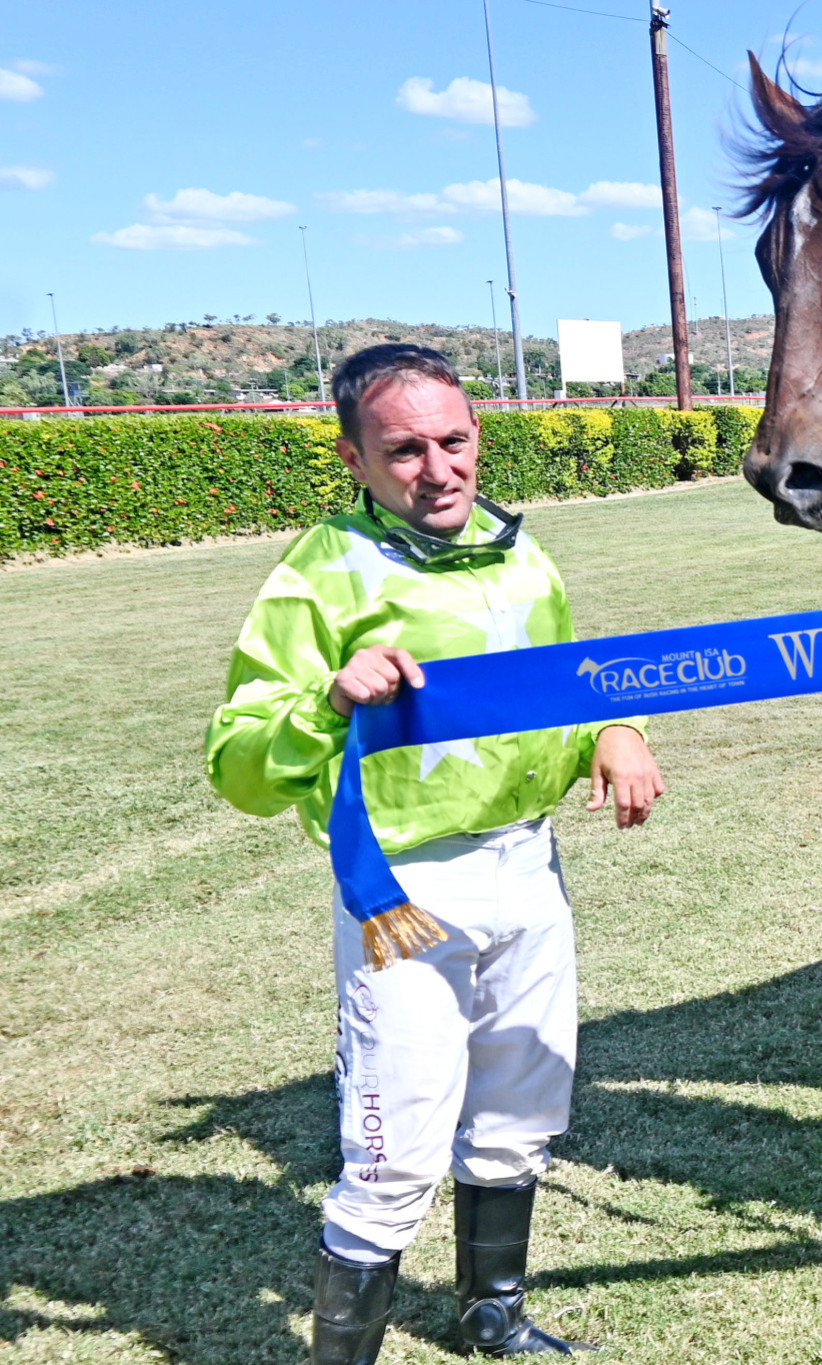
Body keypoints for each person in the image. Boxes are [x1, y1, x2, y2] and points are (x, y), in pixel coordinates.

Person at [206, 345, 665, 1362]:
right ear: (354, 461)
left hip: (526, 870)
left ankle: (490, 1313)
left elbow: (568, 687)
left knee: (517, 1111)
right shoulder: (321, 571)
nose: (437, 468)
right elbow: (235, 756)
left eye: (452, 442)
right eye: (403, 450)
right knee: (392, 1149)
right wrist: (329, 694)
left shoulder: (520, 554)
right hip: (406, 892)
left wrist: (613, 731)